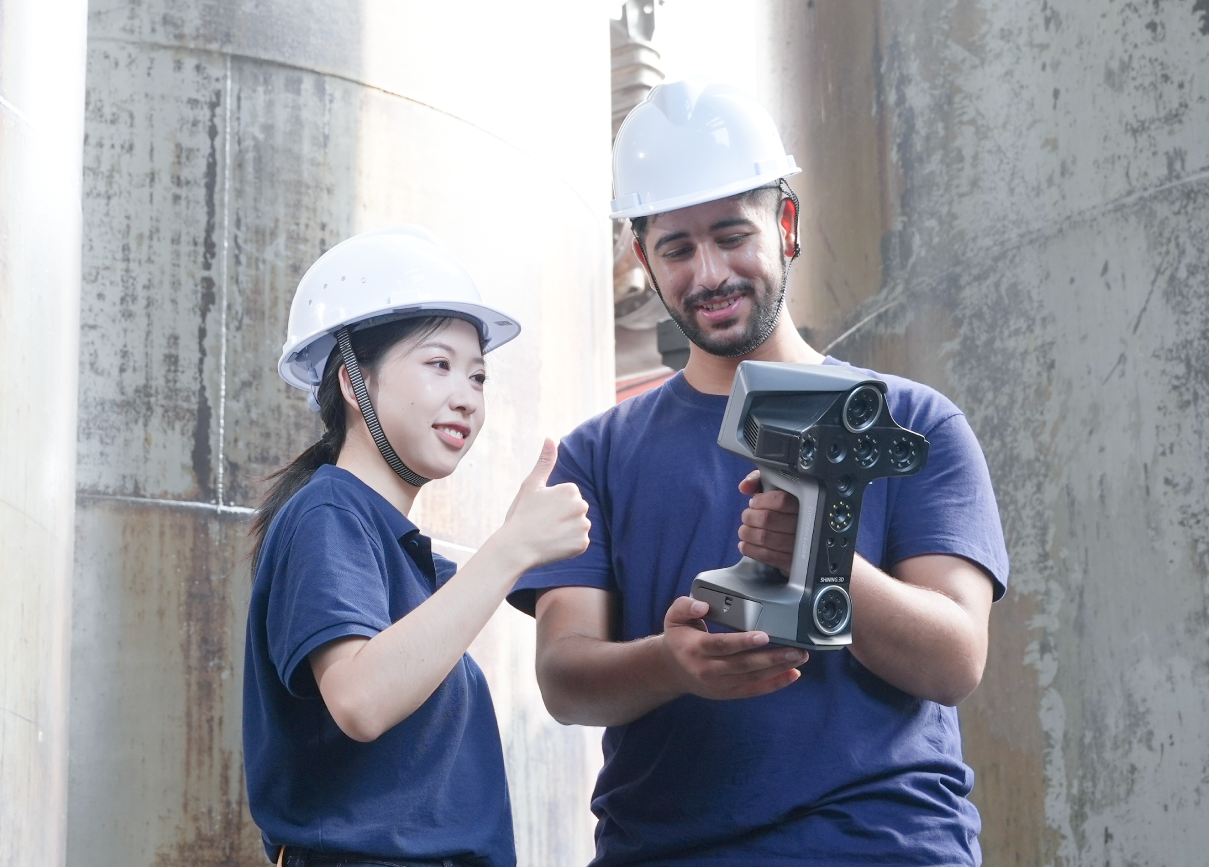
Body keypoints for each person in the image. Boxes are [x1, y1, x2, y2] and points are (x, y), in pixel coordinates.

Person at [507, 79, 1010, 866]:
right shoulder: (595, 455)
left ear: (784, 224)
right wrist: (669, 663)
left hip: (880, 846)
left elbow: (953, 660)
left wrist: (821, 552)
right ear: (643, 257)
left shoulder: (913, 423)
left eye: (731, 234)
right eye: (676, 247)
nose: (709, 273)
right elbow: (565, 677)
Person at [243, 226, 591, 867]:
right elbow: (360, 698)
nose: (467, 396)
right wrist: (510, 548)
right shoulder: (329, 512)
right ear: (353, 382)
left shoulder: (393, 548)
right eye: (438, 364)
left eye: (478, 376)